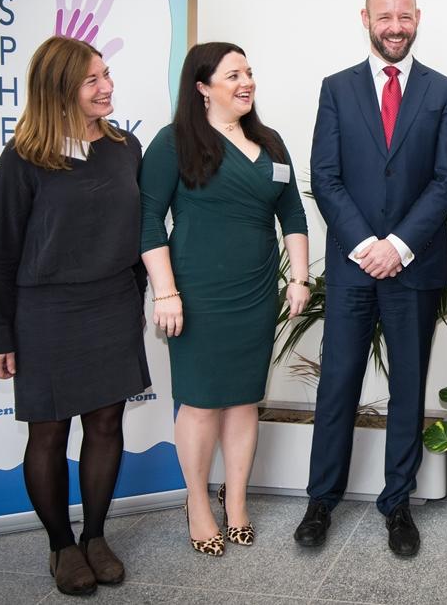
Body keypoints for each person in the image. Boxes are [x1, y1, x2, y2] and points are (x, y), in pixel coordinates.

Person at [0, 36, 151, 596]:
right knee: (48, 434)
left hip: (112, 304)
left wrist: (141, 293)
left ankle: (95, 536)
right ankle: (60, 545)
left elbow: (143, 230)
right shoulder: (24, 157)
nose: (108, 86)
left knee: (105, 425)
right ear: (60, 89)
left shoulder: (127, 147)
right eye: (93, 79)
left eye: (107, 74)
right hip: (45, 311)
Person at [293, 0, 447, 557]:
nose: (395, 27)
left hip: (413, 267)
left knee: (408, 388)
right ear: (364, 18)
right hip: (351, 265)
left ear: (419, 17)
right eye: (384, 16)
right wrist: (367, 243)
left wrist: (400, 246)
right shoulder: (336, 89)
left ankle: (398, 504)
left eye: (405, 17)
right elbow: (325, 176)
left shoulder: (444, 92)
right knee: (337, 382)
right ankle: (321, 501)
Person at [139, 42, 309, 557]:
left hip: (257, 291)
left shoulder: (270, 141)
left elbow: (294, 217)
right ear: (202, 86)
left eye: (250, 72)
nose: (246, 82)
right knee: (200, 403)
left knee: (242, 400)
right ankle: (197, 504)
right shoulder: (174, 143)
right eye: (233, 74)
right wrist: (164, 292)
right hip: (196, 292)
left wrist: (298, 279)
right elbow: (148, 221)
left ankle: (235, 502)